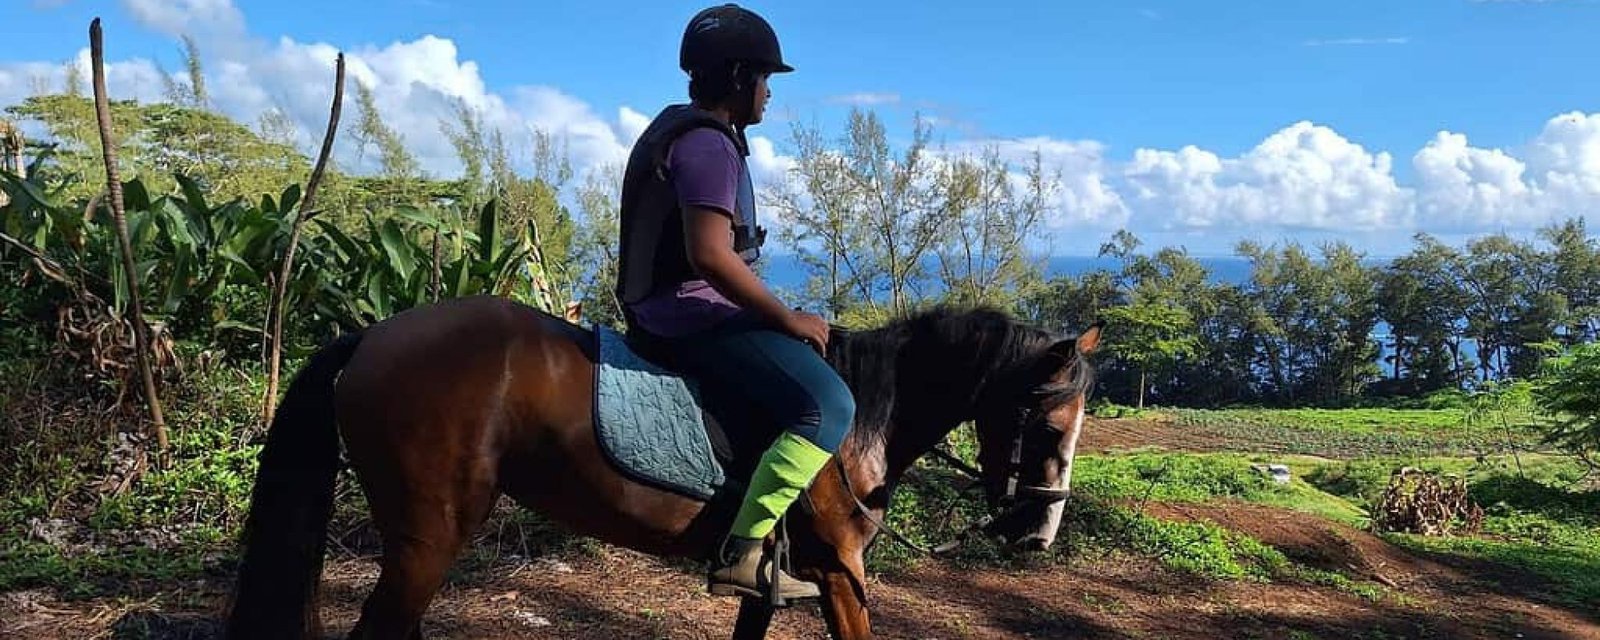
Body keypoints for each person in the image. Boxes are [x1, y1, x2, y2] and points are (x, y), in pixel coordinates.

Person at [614, 4, 855, 601]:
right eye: (766, 79)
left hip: (662, 307)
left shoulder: (676, 128)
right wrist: (786, 317)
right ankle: (742, 551)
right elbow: (710, 256)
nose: (770, 93)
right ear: (740, 77)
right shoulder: (709, 145)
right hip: (685, 315)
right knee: (829, 404)